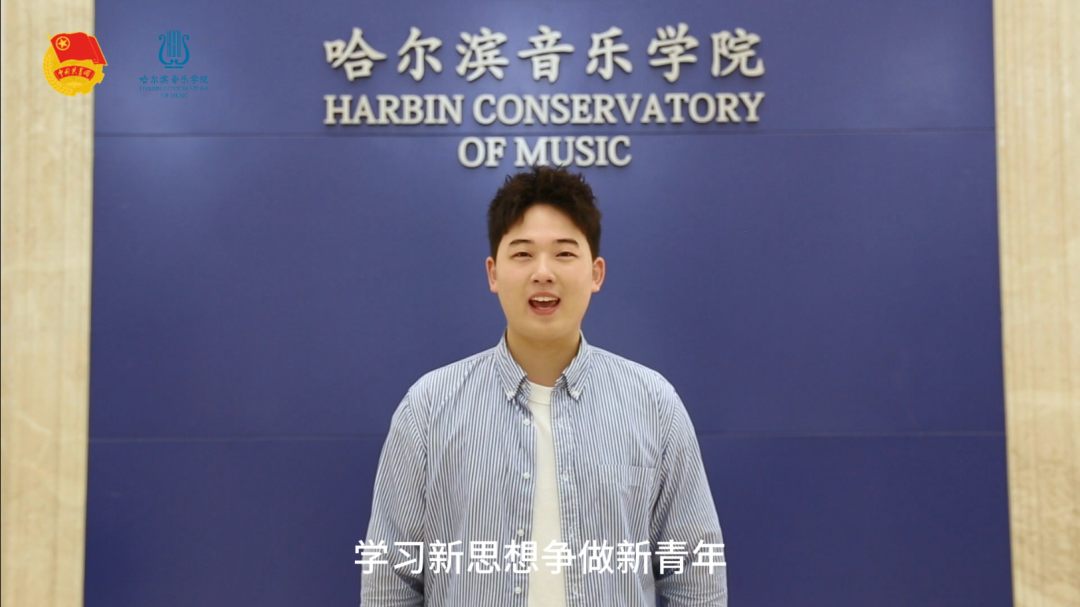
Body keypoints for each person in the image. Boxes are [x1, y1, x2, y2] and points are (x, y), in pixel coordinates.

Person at [360, 166, 726, 606]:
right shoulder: (427, 409)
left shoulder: (654, 405)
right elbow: (390, 581)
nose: (543, 272)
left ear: (596, 272)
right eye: (522, 254)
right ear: (493, 273)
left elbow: (695, 576)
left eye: (564, 253)